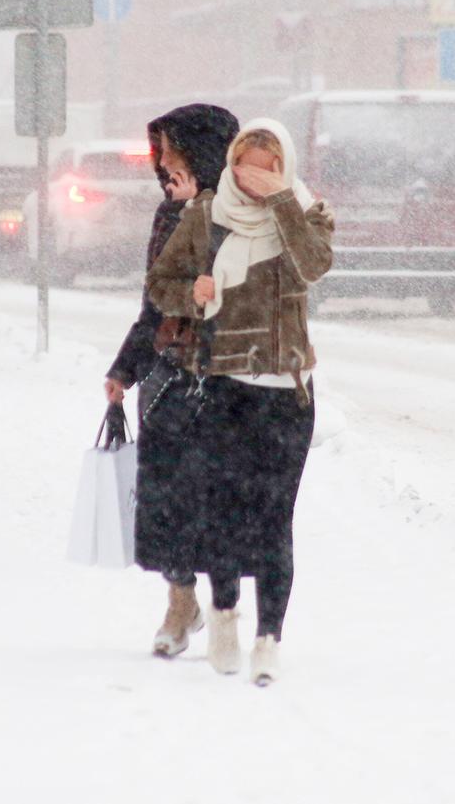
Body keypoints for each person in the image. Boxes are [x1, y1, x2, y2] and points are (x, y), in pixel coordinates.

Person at [146, 119, 334, 685]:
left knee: (275, 520)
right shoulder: (207, 215)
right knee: (225, 515)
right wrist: (191, 292)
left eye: (266, 169)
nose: (253, 179)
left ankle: (269, 640)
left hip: (287, 392)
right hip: (225, 387)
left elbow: (312, 266)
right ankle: (224, 615)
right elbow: (160, 283)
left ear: (285, 168)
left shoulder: (307, 214)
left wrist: (281, 202)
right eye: (244, 167)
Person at [103, 104, 239, 658]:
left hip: (230, 374)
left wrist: (197, 216)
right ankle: (180, 601)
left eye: (171, 151)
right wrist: (125, 368)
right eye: (159, 152)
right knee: (168, 498)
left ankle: (227, 611)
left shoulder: (244, 211)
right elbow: (154, 303)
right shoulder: (168, 212)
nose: (162, 163)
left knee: (221, 500)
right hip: (173, 373)